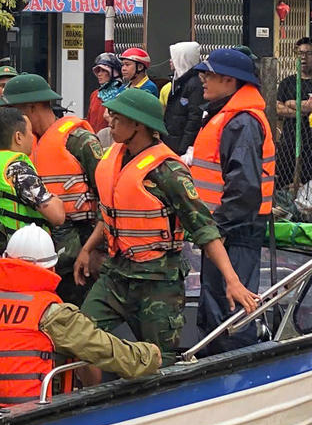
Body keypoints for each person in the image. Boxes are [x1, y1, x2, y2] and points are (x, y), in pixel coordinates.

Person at [75, 88, 258, 361]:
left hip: (157, 283)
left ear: (138, 124)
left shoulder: (168, 172)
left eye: (117, 117)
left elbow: (205, 230)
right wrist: (87, 250)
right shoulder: (113, 159)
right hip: (116, 275)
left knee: (162, 360)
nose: (108, 121)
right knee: (79, 338)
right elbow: (110, 212)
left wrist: (233, 281)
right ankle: (88, 400)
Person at [0, 226, 161, 413]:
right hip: (34, 420)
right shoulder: (51, 314)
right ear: (51, 268)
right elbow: (110, 352)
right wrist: (152, 356)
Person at [190, 49, 275, 353]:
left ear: (229, 80)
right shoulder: (230, 117)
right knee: (220, 308)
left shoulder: (241, 123)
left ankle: (235, 380)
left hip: (232, 231)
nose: (203, 80)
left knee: (231, 313)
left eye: (209, 74)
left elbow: (244, 191)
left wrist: (215, 230)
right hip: (226, 230)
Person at [0, 73, 103, 306]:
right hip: (46, 256)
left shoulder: (78, 140)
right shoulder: (27, 144)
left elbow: (107, 197)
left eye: (16, 111)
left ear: (32, 107)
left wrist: (96, 250)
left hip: (80, 253)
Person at [0, 106, 66, 287]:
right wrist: (57, 200)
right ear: (18, 137)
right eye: (29, 133)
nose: (32, 137)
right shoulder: (17, 168)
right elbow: (57, 216)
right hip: (13, 265)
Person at [275, 36, 312, 189]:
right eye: (300, 53)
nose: (303, 57)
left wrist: (290, 103)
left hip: (309, 142)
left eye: (308, 53)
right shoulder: (287, 82)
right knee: (284, 182)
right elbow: (277, 107)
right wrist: (302, 108)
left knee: (307, 185)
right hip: (289, 141)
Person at [162, 41, 205, 155]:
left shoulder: (194, 84)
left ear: (183, 59)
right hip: (172, 142)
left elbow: (194, 119)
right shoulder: (179, 81)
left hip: (180, 147)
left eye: (174, 57)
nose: (170, 61)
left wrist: (183, 148)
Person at [87, 52, 123, 132]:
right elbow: (89, 120)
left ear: (114, 73)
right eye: (98, 71)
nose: (99, 74)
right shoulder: (95, 94)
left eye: (103, 70)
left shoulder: (121, 94)